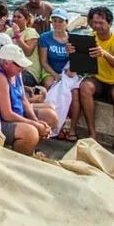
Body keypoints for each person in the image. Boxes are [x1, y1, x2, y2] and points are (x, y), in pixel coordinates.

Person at [74, 6, 114, 158]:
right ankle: (92, 134)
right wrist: (73, 50)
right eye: (94, 23)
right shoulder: (90, 38)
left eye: (101, 23)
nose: (97, 26)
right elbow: (81, 63)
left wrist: (104, 54)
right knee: (85, 87)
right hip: (98, 79)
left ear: (109, 24)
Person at [0, 44, 57, 154]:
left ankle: (28, 149)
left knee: (51, 116)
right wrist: (34, 125)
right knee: (31, 132)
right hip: (2, 121)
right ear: (6, 64)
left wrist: (36, 121)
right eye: (20, 65)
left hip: (17, 113)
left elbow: (24, 100)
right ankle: (17, 153)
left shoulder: (17, 72)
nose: (23, 68)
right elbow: (7, 114)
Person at [39, 9, 81, 140]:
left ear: (67, 23)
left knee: (74, 93)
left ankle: (70, 126)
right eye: (54, 21)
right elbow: (44, 62)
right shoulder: (45, 37)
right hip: (50, 70)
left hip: (68, 71)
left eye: (60, 21)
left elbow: (76, 61)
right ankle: (51, 121)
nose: (56, 24)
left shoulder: (73, 39)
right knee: (50, 84)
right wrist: (56, 76)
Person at [9, 6, 45, 88]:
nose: (15, 19)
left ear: (26, 20)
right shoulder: (9, 31)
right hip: (12, 67)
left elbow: (28, 52)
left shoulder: (31, 32)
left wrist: (17, 36)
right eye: (14, 16)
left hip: (29, 71)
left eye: (19, 17)